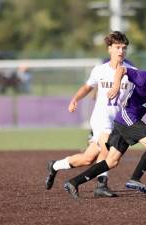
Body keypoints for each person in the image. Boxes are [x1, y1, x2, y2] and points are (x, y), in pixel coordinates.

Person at [63, 52, 146, 199]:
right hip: (127, 117)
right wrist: (116, 86)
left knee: (111, 161)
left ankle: (74, 182)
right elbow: (121, 70)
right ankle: (135, 179)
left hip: (127, 121)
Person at [45, 31, 135, 197]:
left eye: (124, 48)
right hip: (101, 118)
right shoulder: (100, 70)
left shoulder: (132, 71)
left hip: (118, 120)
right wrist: (75, 99)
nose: (121, 51)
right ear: (109, 49)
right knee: (109, 145)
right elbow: (87, 87)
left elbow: (142, 91)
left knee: (88, 158)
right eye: (117, 47)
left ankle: (55, 166)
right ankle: (101, 185)